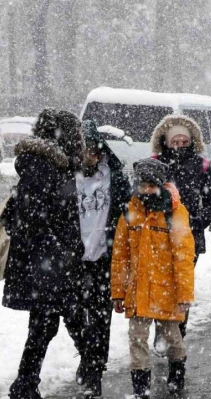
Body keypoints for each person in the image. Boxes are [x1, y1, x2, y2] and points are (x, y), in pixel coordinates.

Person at [3, 109, 86, 399]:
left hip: (48, 263)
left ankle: (26, 384)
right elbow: (29, 216)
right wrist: (58, 251)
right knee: (63, 319)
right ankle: (89, 367)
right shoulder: (43, 165)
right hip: (47, 265)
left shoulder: (50, 163)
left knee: (50, 322)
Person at [111, 158, 195, 398]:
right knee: (136, 338)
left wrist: (184, 295)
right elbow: (120, 255)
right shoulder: (130, 212)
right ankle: (140, 388)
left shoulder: (175, 212)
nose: (146, 190)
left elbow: (183, 257)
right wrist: (118, 291)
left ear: (160, 184)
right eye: (142, 185)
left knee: (173, 337)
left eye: (151, 185)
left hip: (166, 290)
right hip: (137, 290)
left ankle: (176, 376)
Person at [74, 120, 132, 397]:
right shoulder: (66, 177)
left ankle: (94, 370)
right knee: (75, 316)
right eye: (83, 151)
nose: (89, 157)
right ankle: (87, 357)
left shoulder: (115, 177)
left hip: (104, 258)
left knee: (100, 317)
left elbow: (128, 214)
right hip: (73, 260)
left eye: (93, 151)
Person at [151, 115, 211, 339]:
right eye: (175, 142)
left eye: (184, 141)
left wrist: (197, 222)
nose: (179, 146)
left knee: (182, 283)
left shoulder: (201, 166)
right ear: (166, 141)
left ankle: (178, 330)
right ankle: (161, 330)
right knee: (161, 283)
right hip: (159, 235)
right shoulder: (155, 164)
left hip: (189, 237)